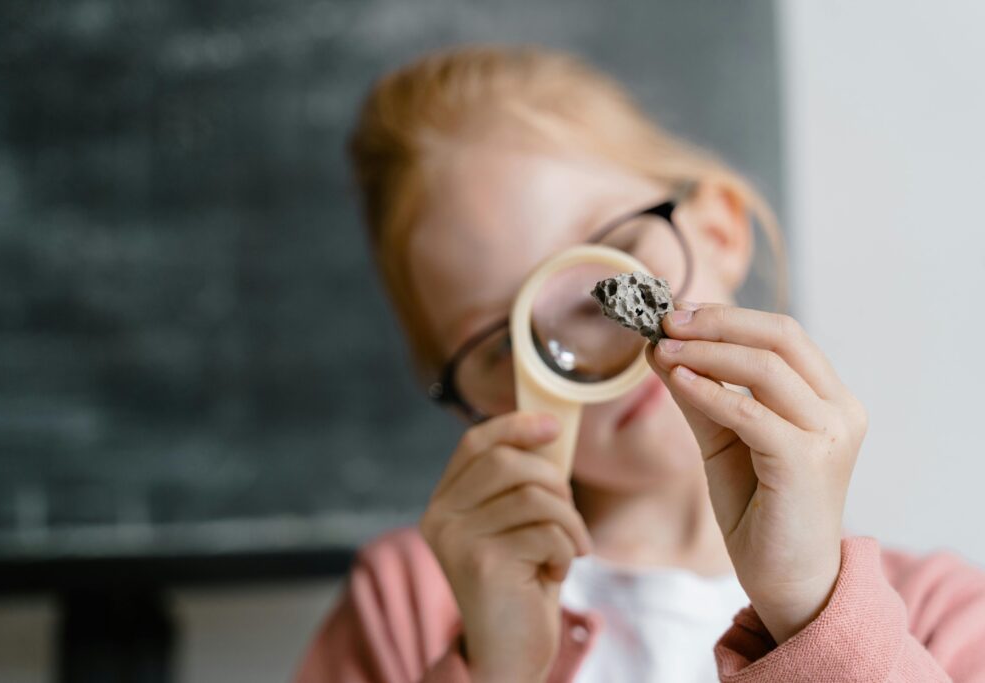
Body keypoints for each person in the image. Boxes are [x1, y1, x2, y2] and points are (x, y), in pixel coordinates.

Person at [297, 45, 985, 682]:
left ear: (717, 231)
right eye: (508, 343)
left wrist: (814, 608)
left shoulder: (937, 615)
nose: (602, 343)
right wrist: (494, 665)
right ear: (469, 396)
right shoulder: (408, 605)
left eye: (616, 260)